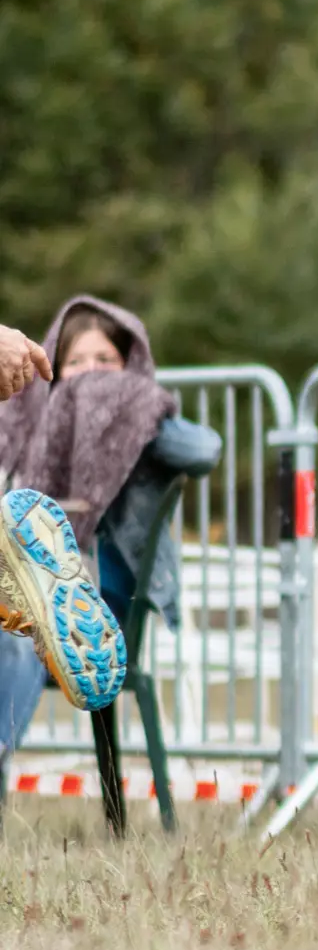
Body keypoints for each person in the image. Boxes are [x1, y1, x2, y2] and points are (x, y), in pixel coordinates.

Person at [0, 298, 219, 797]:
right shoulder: (35, 421)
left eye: (106, 363)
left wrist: (132, 405)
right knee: (17, 618)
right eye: (77, 364)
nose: (91, 377)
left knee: (20, 629)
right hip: (28, 606)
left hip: (106, 609)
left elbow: (204, 451)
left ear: (130, 366)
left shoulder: (142, 425)